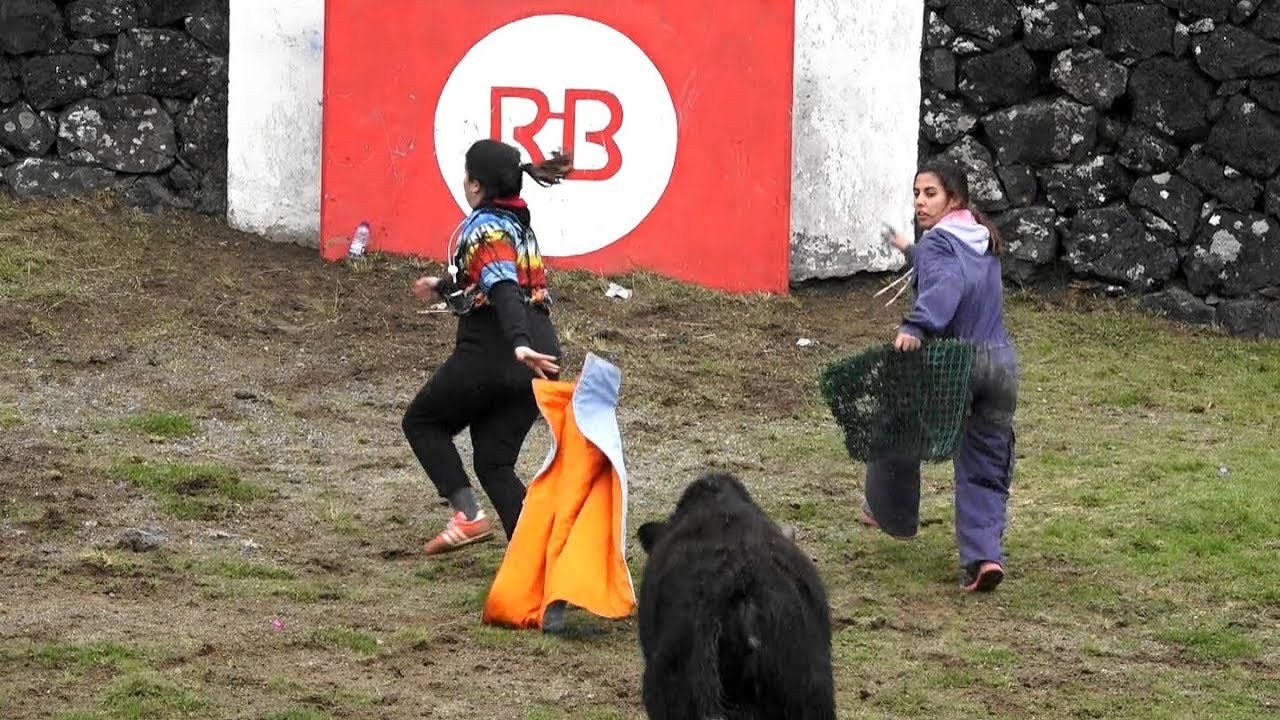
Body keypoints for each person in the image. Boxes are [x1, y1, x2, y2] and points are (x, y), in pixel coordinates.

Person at [403, 139, 570, 556]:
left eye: (466, 175)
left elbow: (504, 286)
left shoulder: (484, 227)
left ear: (476, 186)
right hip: (542, 356)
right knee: (494, 463)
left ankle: (468, 515)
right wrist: (442, 286)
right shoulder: (516, 223)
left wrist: (517, 343)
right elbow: (494, 276)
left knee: (422, 421)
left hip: (499, 349)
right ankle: (537, 567)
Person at [860, 161, 1019, 593]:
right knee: (985, 463)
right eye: (916, 194)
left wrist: (916, 326)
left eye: (929, 194)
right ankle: (984, 559)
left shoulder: (940, 246)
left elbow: (944, 285)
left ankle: (888, 509)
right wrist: (909, 250)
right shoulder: (981, 241)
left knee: (899, 418)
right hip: (1000, 369)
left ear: (955, 199)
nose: (919, 202)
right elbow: (946, 267)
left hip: (957, 365)